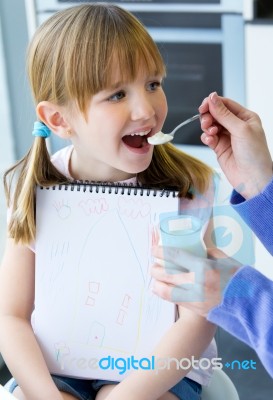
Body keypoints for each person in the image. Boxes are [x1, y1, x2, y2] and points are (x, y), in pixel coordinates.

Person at [0, 4, 218, 400]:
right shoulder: (35, 188)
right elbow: (10, 316)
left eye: (153, 84)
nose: (146, 110)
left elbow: (198, 316)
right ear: (59, 120)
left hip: (158, 370)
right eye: (117, 94)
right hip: (56, 367)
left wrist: (123, 396)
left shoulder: (187, 187)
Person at [151, 92, 273, 377]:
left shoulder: (193, 182)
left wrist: (243, 297)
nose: (145, 109)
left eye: (153, 84)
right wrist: (260, 184)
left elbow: (194, 324)